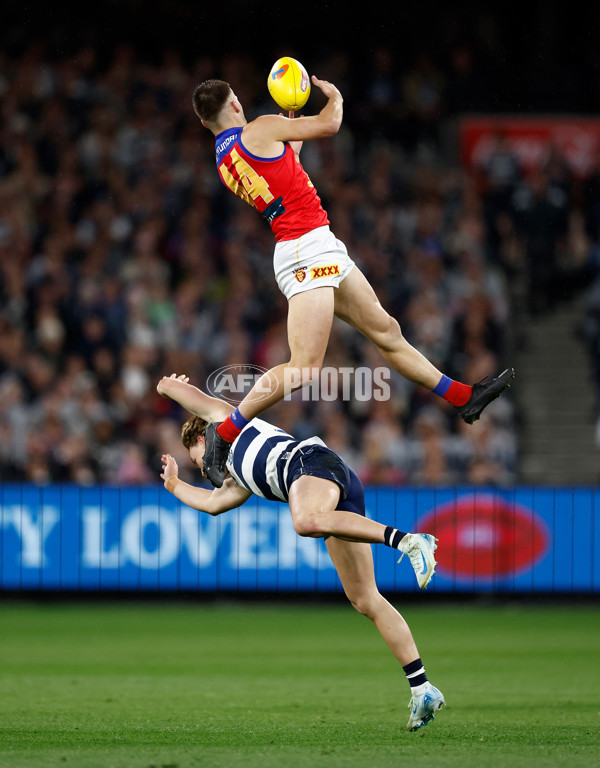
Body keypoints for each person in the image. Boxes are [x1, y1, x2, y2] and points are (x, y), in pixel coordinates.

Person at [192, 75, 515, 487]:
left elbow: (286, 161)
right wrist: (336, 98)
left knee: (386, 331)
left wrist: (291, 119)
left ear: (205, 124)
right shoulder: (258, 128)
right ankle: (224, 432)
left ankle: (463, 398)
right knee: (304, 366)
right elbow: (330, 125)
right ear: (235, 105)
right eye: (238, 99)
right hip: (304, 249)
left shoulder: (225, 158)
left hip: (314, 243)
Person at [157, 372, 445, 731]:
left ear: (201, 438)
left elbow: (182, 391)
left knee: (305, 521)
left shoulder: (222, 420)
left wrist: (165, 385)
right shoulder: (237, 477)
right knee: (364, 599)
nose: (201, 469)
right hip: (327, 482)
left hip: (310, 464)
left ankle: (408, 541)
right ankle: (422, 688)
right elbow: (213, 504)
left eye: (197, 460)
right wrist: (173, 485)